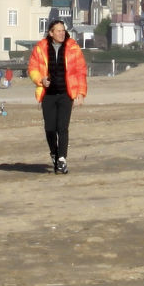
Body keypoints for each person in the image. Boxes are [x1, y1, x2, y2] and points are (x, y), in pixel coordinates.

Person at [25, 14, 89, 174]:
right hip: (48, 94)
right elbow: (32, 69)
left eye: (63, 30)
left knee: (63, 128)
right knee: (50, 128)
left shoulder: (73, 47)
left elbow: (81, 71)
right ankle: (54, 153)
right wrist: (41, 79)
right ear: (51, 33)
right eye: (58, 31)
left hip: (66, 93)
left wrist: (81, 93)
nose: (62, 33)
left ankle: (62, 159)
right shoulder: (40, 48)